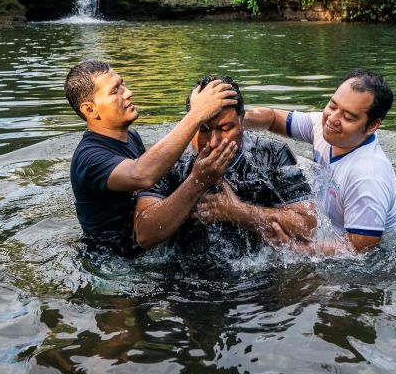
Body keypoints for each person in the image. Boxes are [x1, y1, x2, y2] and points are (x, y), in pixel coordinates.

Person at [65, 61, 239, 255]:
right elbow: (142, 175)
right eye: (115, 91)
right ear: (90, 110)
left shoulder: (132, 137)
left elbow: (153, 183)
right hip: (111, 263)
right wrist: (197, 114)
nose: (128, 92)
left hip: (144, 250)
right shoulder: (89, 158)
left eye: (122, 84)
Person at [134, 75, 316, 254]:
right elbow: (144, 236)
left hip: (258, 269)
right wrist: (196, 182)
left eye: (225, 128)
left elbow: (307, 226)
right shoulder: (171, 160)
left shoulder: (271, 155)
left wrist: (238, 212)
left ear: (242, 122)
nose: (214, 142)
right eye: (203, 129)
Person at [245, 69, 396, 255]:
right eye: (333, 105)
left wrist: (294, 249)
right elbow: (272, 119)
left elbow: (359, 249)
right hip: (330, 233)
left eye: (348, 117)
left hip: (378, 256)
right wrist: (236, 121)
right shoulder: (324, 126)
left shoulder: (368, 175)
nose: (332, 119)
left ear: (373, 125)